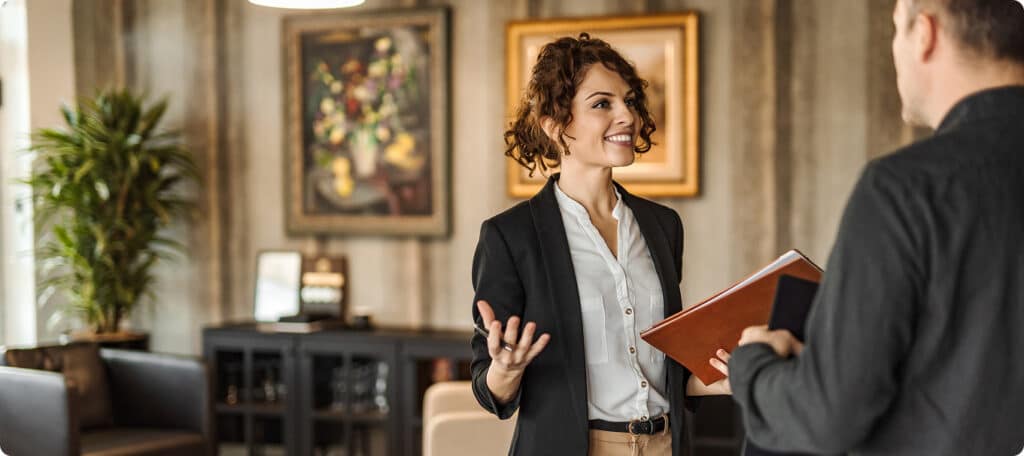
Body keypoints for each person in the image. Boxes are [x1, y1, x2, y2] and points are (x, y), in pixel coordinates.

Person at [726, 0, 1024, 454]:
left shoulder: (904, 187)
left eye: (895, 29)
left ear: (924, 33)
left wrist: (752, 362)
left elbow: (825, 418)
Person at [469, 33, 730, 455]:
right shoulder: (510, 236)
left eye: (629, 101)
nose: (627, 115)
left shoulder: (663, 225)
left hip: (665, 445)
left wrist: (729, 375)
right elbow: (488, 390)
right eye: (601, 104)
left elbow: (667, 369)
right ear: (555, 125)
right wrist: (506, 369)